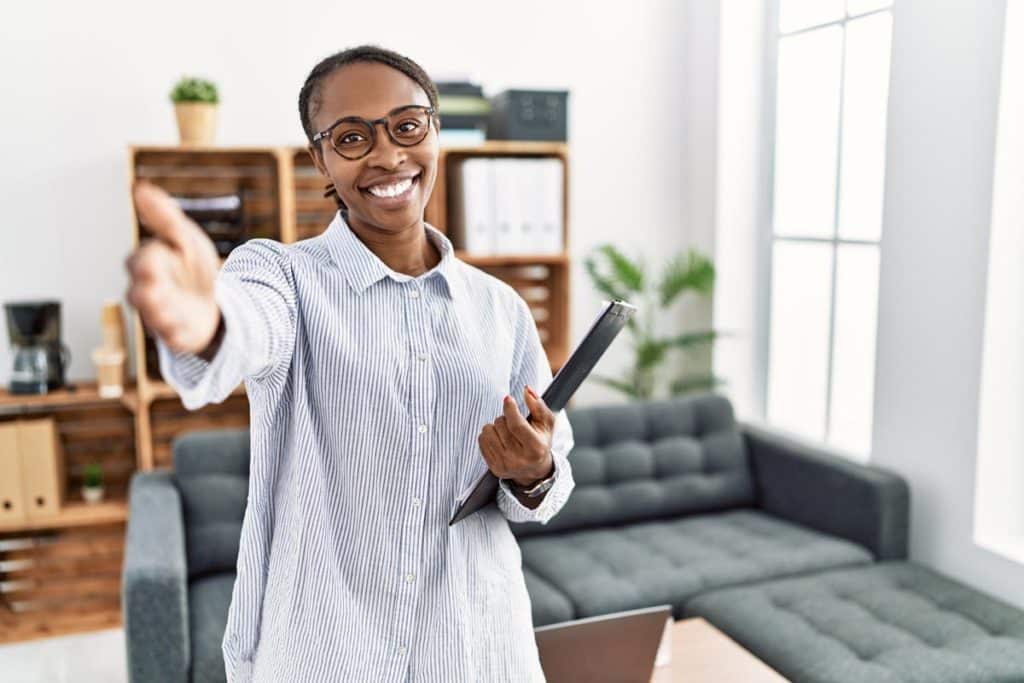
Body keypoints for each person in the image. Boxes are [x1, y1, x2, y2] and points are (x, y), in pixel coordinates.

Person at [124, 44, 575, 682]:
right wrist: (206, 324)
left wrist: (534, 471)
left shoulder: (500, 308)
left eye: (407, 126)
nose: (388, 155)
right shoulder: (281, 275)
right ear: (321, 160)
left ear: (435, 134)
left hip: (476, 646)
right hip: (328, 651)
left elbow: (546, 493)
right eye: (353, 137)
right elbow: (247, 326)